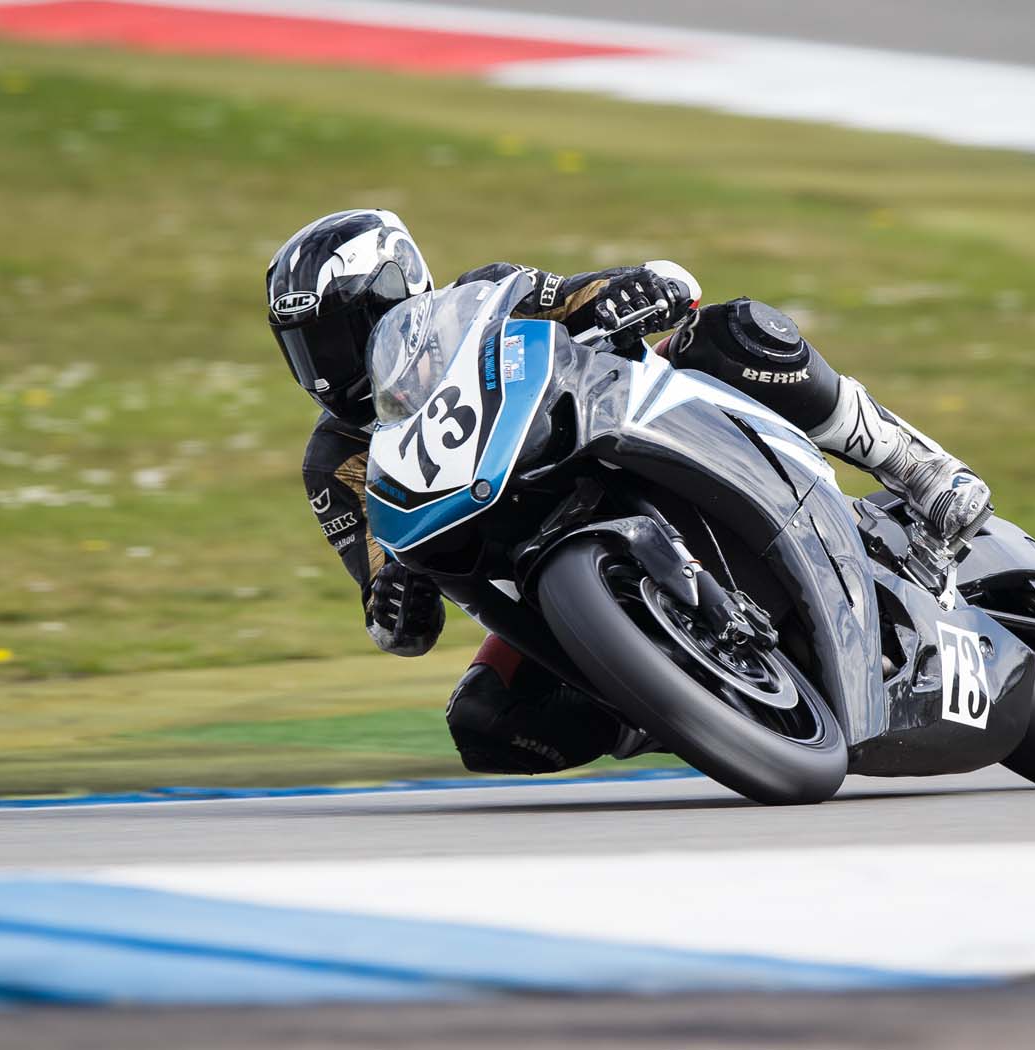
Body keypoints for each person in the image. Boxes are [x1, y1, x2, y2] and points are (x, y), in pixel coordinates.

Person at [268, 209, 991, 774]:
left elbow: (578, 293)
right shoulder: (336, 459)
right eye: (302, 344)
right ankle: (676, 703)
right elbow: (391, 613)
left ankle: (911, 464)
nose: (322, 366)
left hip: (617, 441)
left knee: (735, 333)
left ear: (392, 295)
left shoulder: (483, 302)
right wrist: (396, 605)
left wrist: (638, 289)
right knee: (487, 726)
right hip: (524, 565)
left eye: (332, 334)